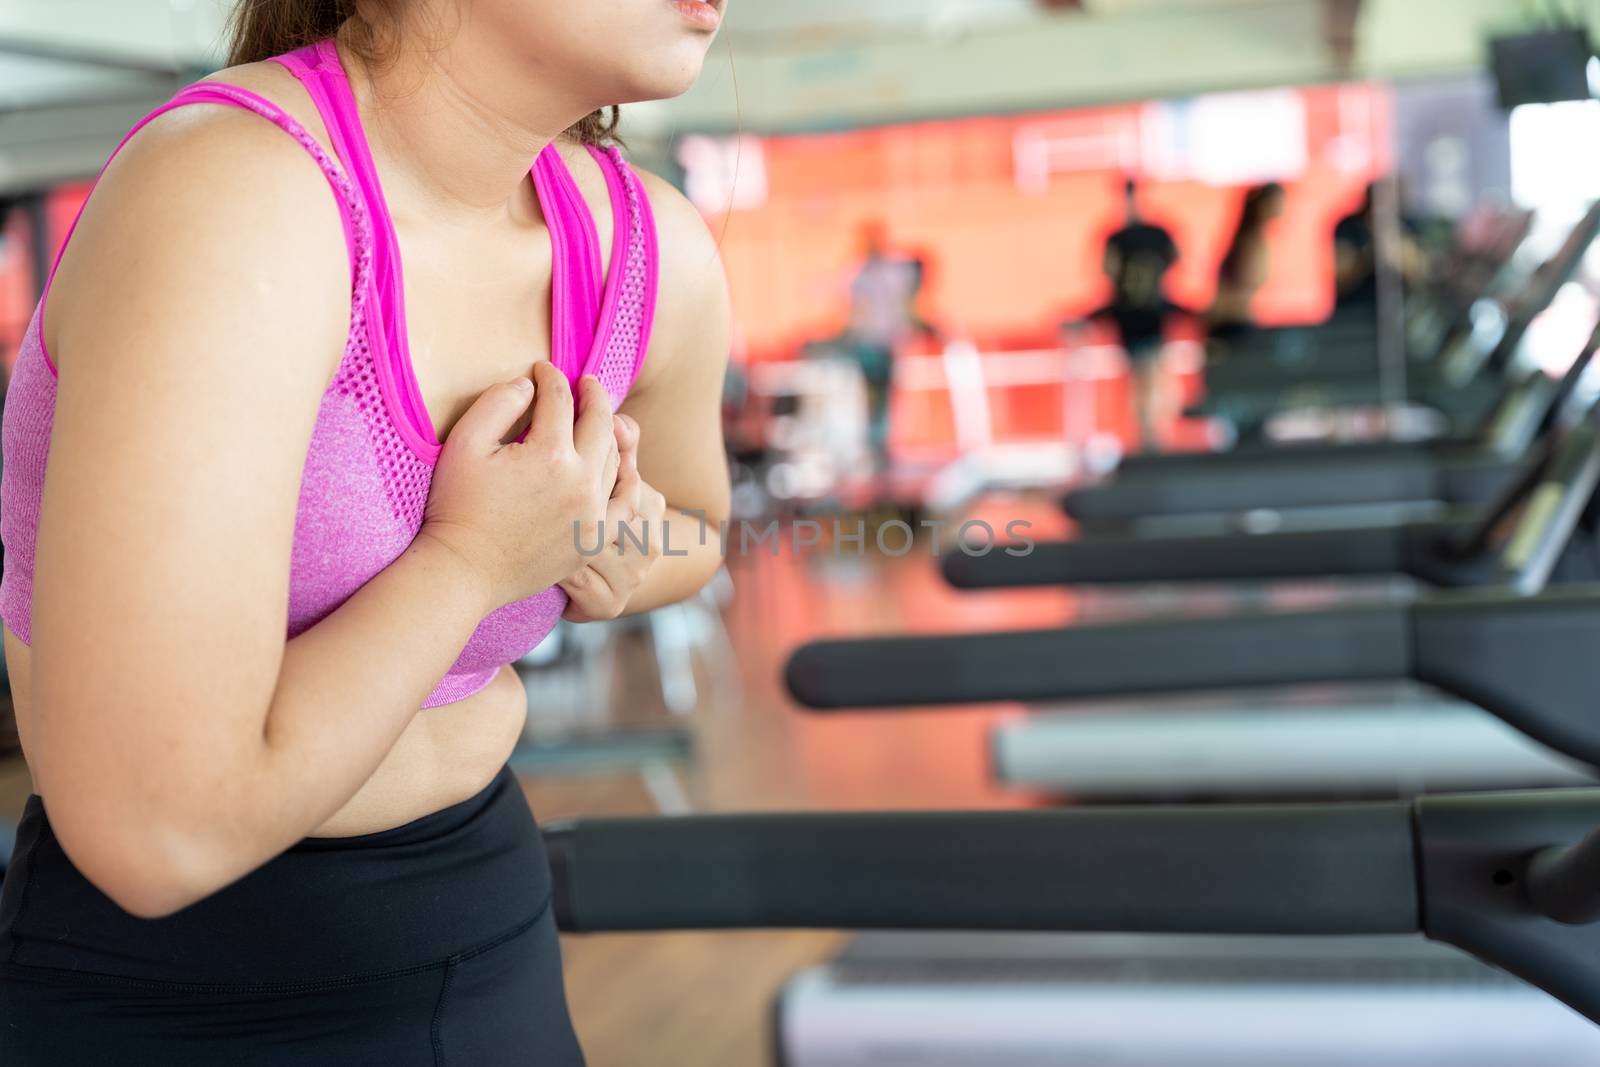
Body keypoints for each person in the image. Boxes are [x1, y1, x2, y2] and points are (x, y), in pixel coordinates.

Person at [0, 1, 732, 1063]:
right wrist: (477, 559)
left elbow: (700, 526)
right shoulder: (237, 192)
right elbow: (155, 835)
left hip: (485, 914)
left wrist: (616, 541)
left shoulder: (646, 242)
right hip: (176, 992)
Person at [1085, 177, 1183, 449]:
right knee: (1144, 374)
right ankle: (1148, 432)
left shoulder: (1152, 235)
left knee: (1152, 372)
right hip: (1135, 318)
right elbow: (1109, 276)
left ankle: (1156, 431)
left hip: (1147, 317)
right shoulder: (1122, 238)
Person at [839, 222, 925, 473]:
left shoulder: (882, 271)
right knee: (875, 397)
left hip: (882, 342)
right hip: (871, 343)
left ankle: (880, 448)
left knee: (881, 398)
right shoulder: (864, 271)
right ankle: (877, 448)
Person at [1208, 181, 1287, 341]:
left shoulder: (1258, 237)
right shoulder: (1249, 240)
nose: (1282, 209)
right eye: (1277, 202)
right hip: (1232, 323)